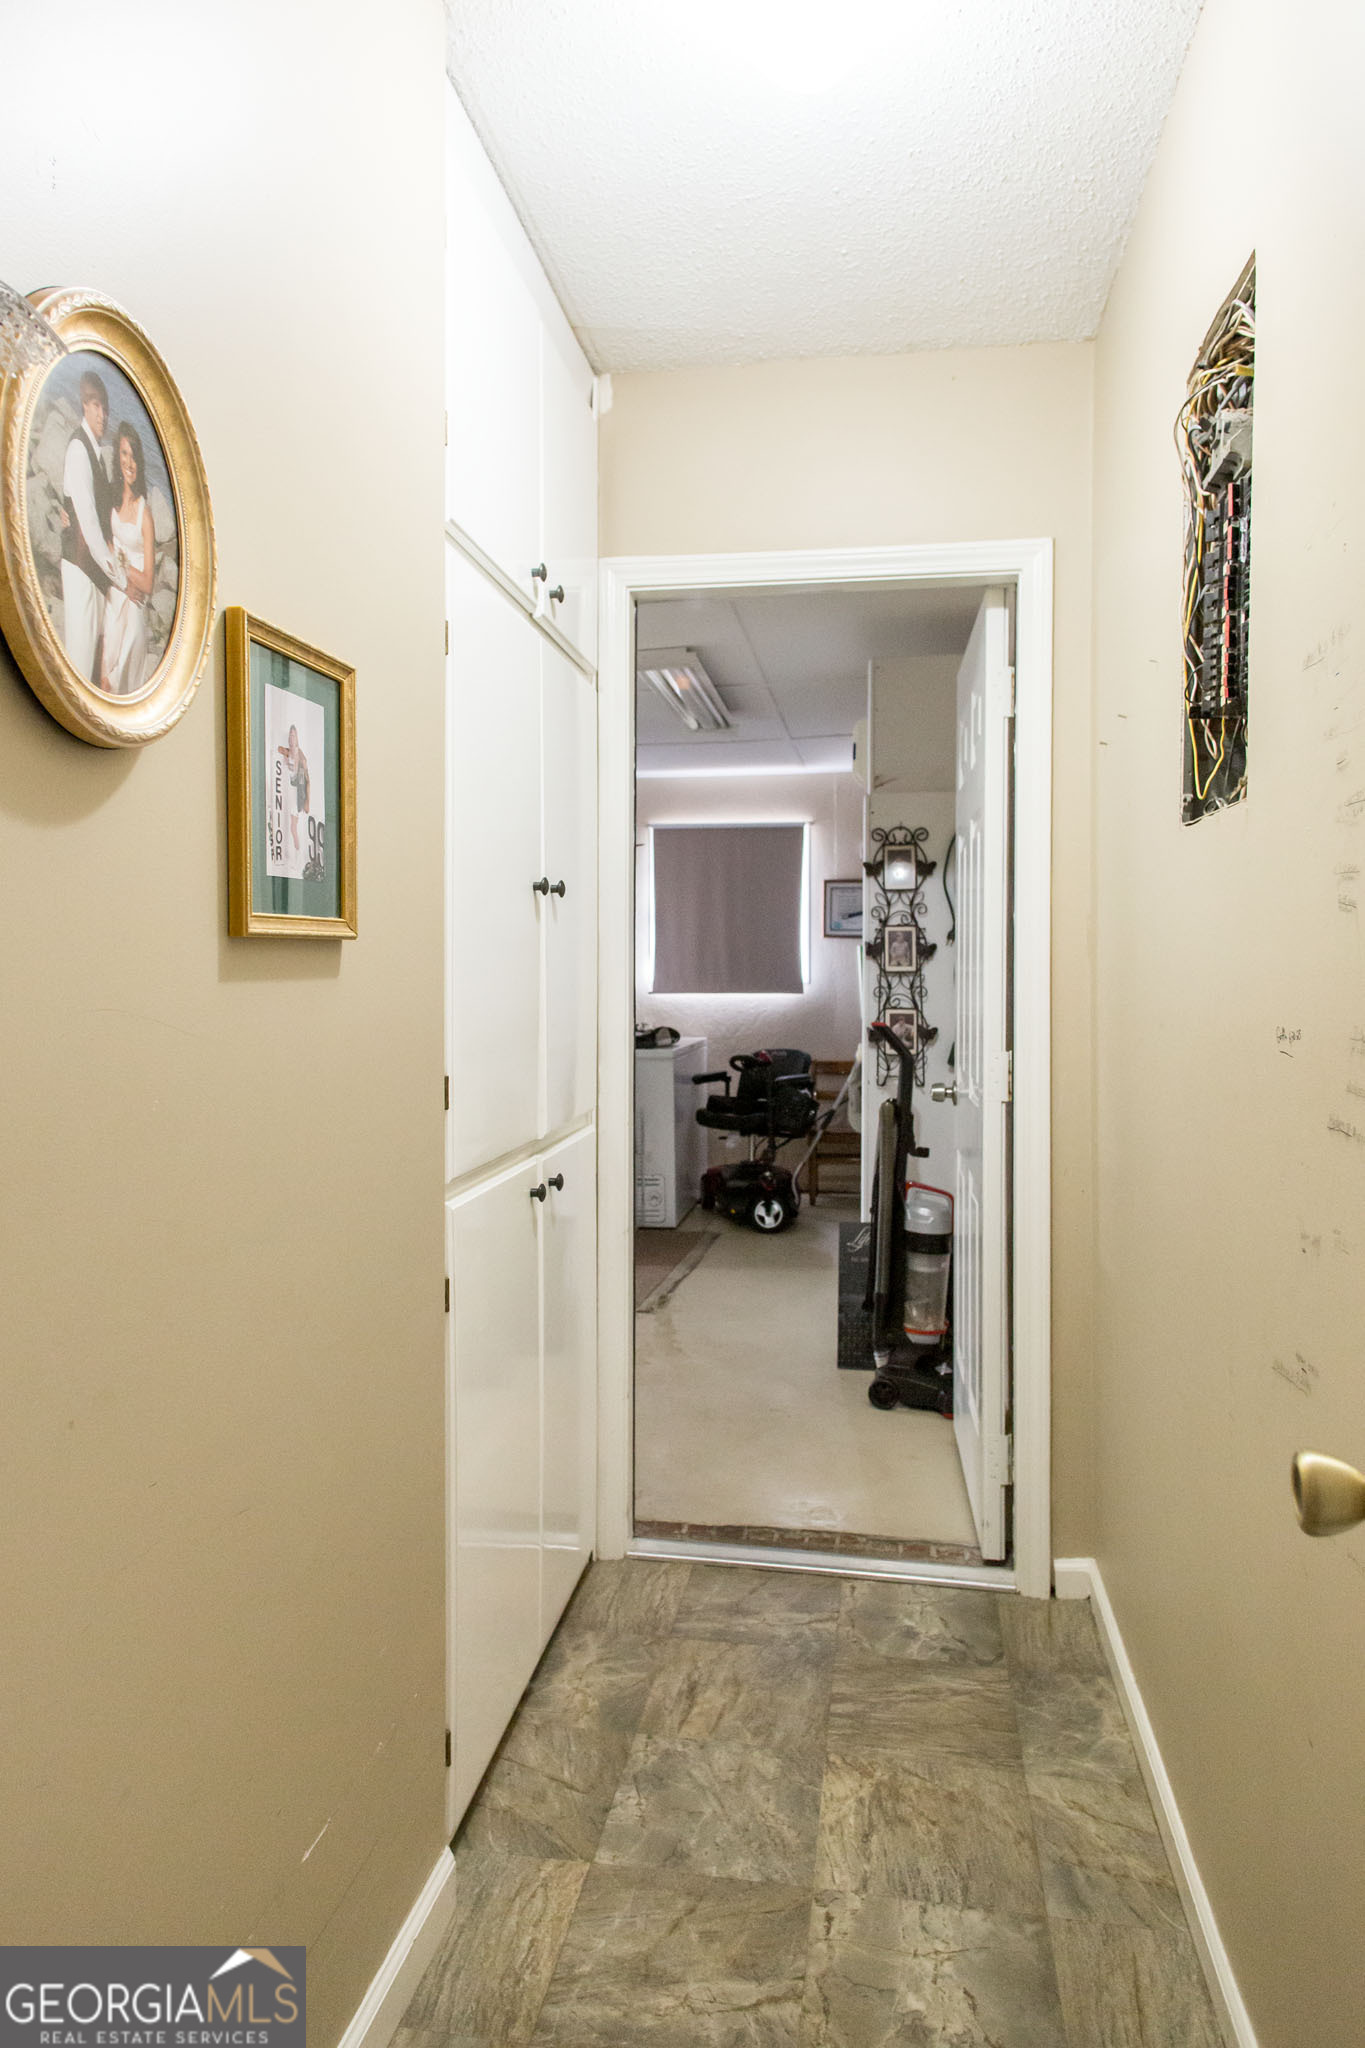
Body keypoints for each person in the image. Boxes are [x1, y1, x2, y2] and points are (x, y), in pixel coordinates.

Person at [59, 368, 126, 683]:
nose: (103, 415)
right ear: (84, 405)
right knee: (79, 667)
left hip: (95, 577)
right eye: (96, 405)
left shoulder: (96, 454)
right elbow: (86, 523)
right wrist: (119, 576)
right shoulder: (77, 450)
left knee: (92, 672)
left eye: (105, 407)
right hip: (81, 570)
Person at [99, 423, 156, 696]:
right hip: (116, 593)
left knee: (119, 678)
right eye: (124, 454)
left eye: (133, 456)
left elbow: (147, 583)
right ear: (117, 456)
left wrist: (122, 563)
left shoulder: (144, 514)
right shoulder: (109, 498)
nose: (129, 463)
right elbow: (103, 544)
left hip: (133, 603)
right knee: (103, 674)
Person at [277, 725, 310, 857]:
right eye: (290, 735)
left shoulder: (299, 753)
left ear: (297, 738)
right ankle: (291, 853)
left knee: (293, 826)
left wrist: (308, 800)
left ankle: (297, 854)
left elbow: (306, 777)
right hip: (287, 790)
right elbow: (279, 750)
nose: (292, 737)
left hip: (296, 792)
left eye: (294, 735)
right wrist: (287, 754)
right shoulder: (288, 751)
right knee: (288, 824)